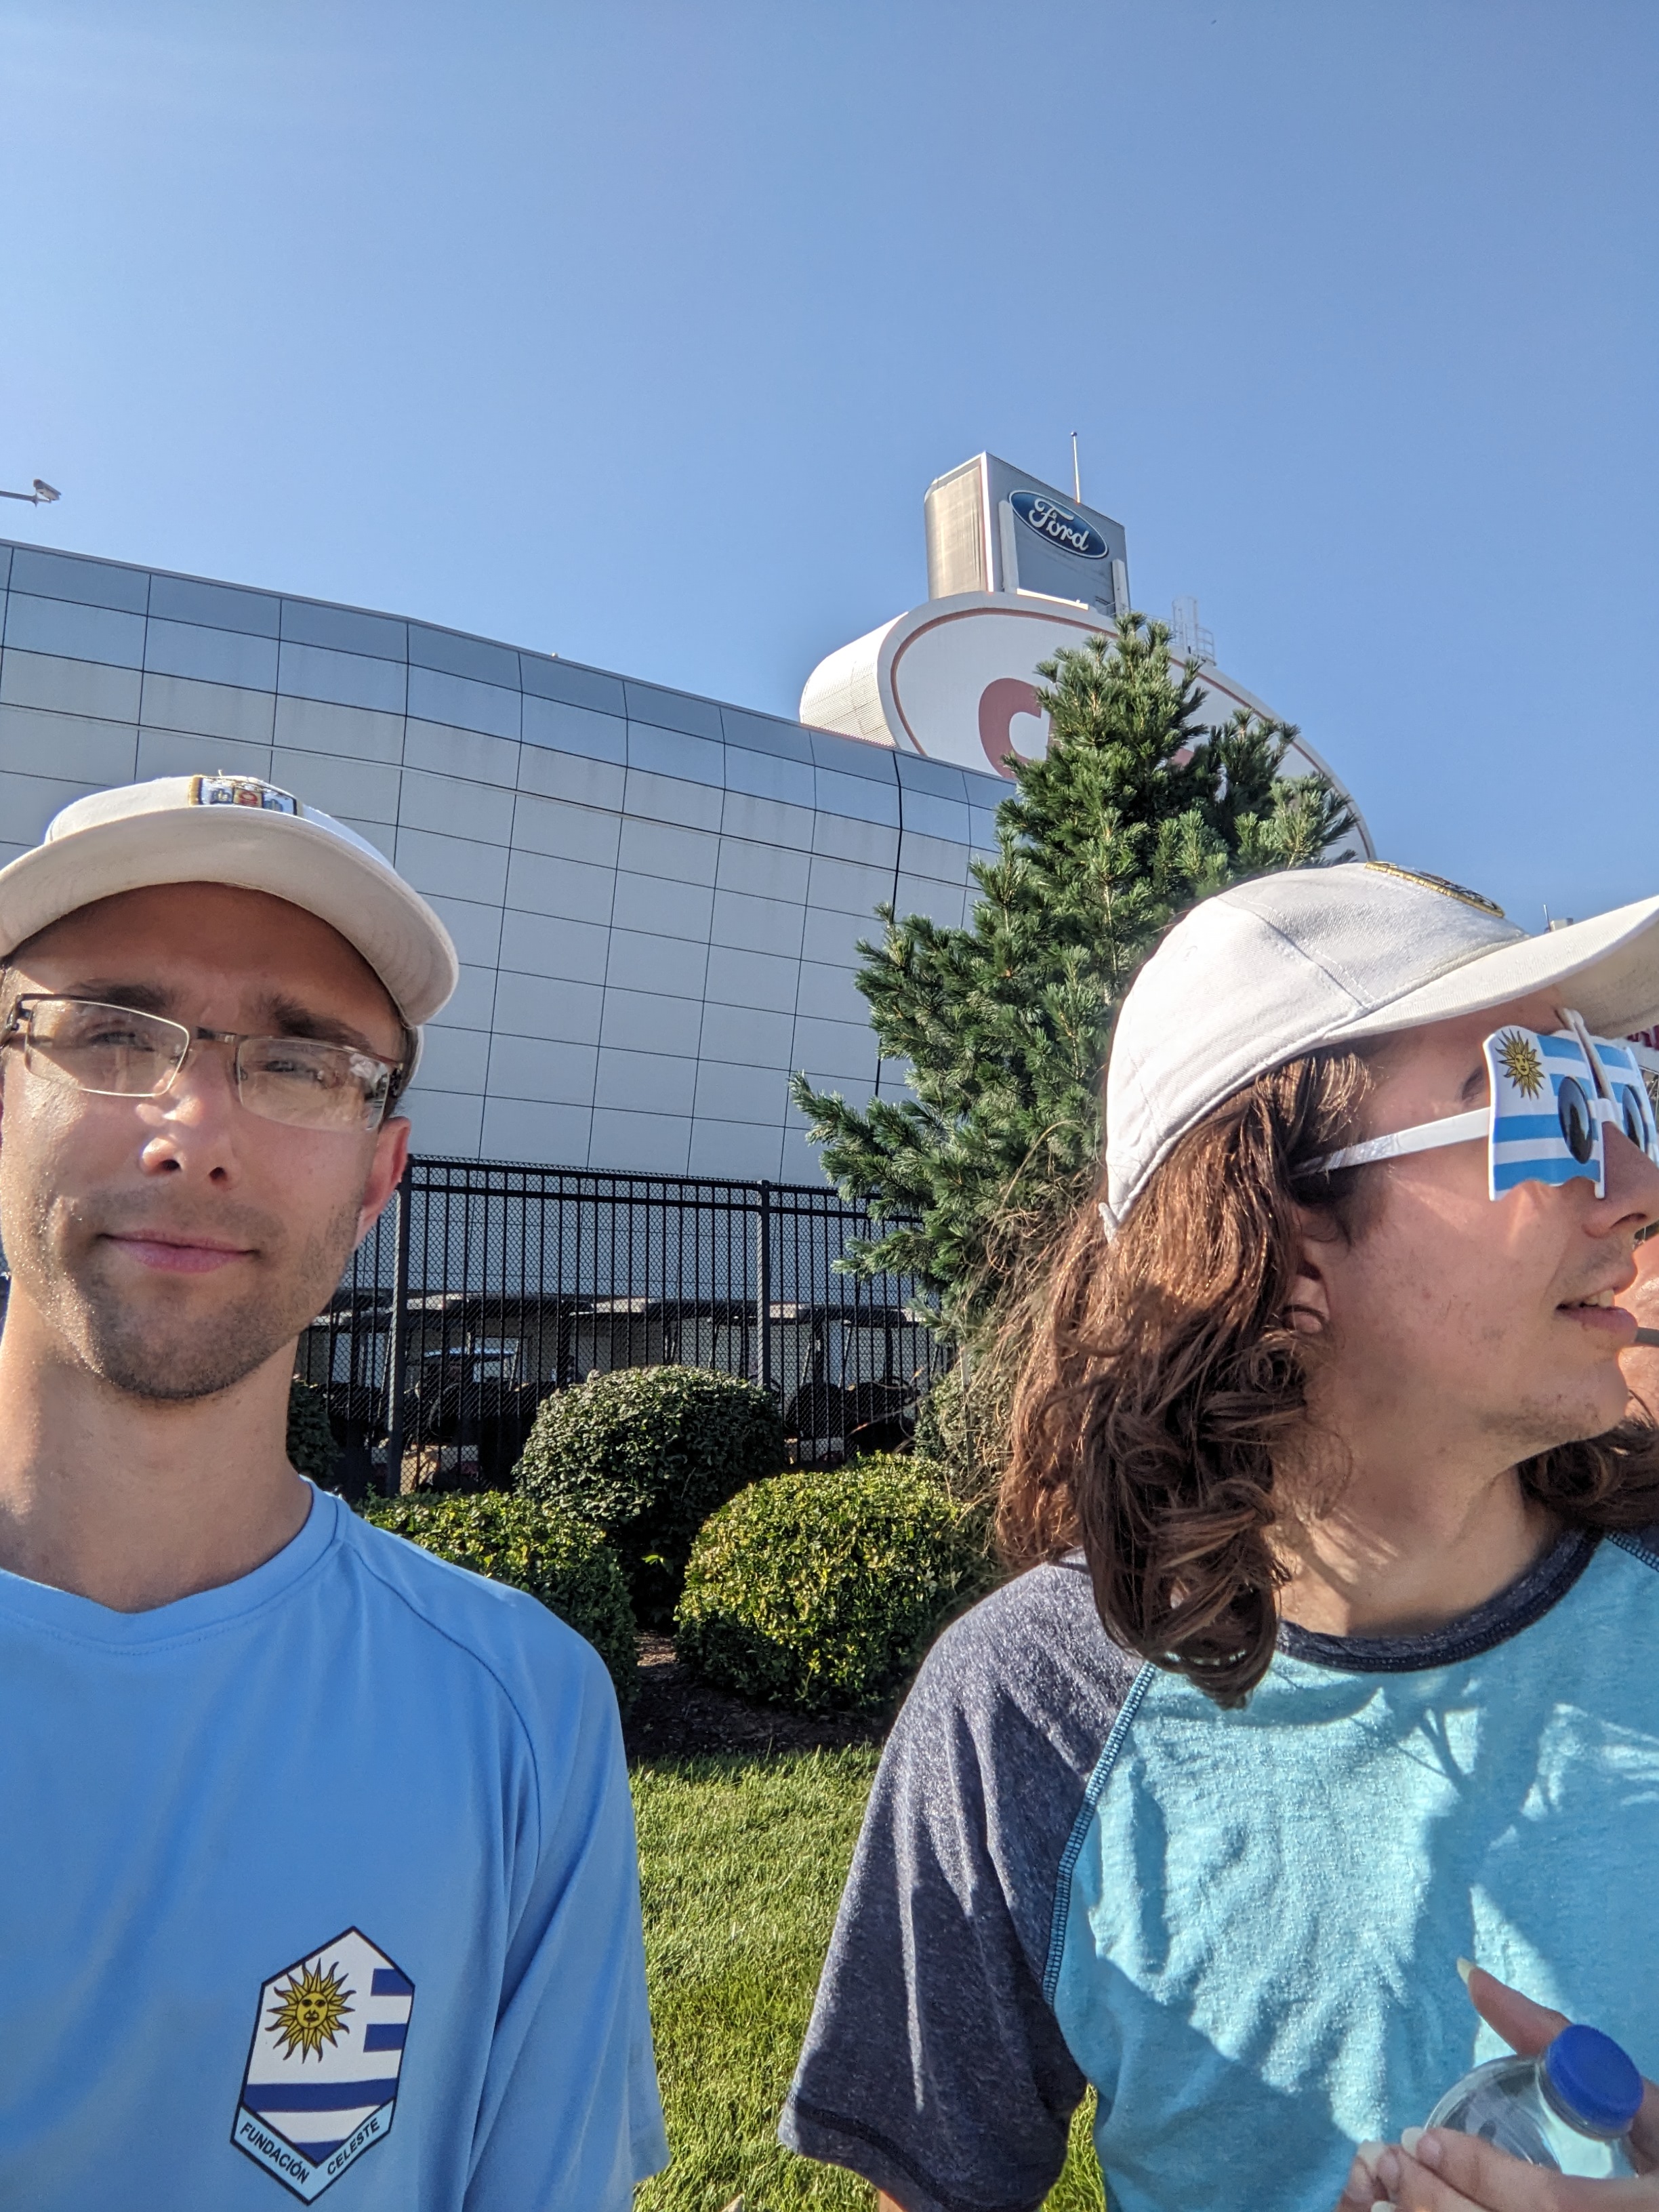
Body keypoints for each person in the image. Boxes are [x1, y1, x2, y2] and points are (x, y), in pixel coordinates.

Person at [779, 860, 1659, 2212]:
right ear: (1285, 1244)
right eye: (1540, 1105)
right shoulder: (1034, 1706)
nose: (1639, 1186)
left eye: (1626, 1098)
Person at [0, 775, 666, 2208]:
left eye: (300, 1064)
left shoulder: (521, 1717)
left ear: (378, 1176)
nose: (194, 1131)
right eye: (112, 1034)